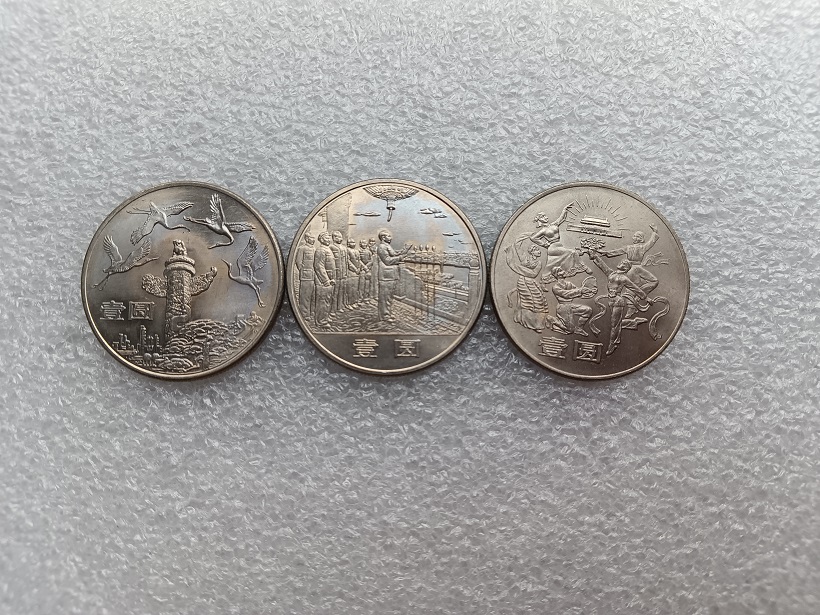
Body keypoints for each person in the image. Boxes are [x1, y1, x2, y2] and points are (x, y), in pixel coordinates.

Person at [588, 252, 648, 355]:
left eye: (624, 263)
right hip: (610, 301)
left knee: (614, 324)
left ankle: (613, 344)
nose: (621, 263)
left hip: (618, 301)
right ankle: (634, 322)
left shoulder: (624, 278)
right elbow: (603, 266)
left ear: (626, 268)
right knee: (615, 323)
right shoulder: (612, 274)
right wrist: (595, 255)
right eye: (622, 262)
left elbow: (635, 288)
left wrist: (646, 298)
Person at [519, 202, 590, 280]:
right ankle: (584, 267)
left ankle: (554, 274)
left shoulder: (554, 224)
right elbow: (533, 238)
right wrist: (544, 244)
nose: (545, 217)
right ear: (540, 220)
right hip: (552, 248)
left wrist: (564, 210)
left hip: (559, 246)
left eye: (545, 216)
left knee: (568, 255)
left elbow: (561, 218)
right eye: (543, 217)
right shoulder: (543, 230)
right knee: (572, 252)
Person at [603, 224, 659, 294]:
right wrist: (655, 232)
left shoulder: (629, 247)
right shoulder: (642, 247)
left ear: (640, 238)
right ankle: (641, 293)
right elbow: (651, 242)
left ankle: (634, 294)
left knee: (632, 286)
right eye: (634, 236)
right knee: (654, 281)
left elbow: (617, 251)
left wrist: (606, 253)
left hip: (627, 269)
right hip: (636, 268)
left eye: (635, 236)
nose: (633, 238)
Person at [505, 244, 548, 332]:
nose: (539, 251)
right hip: (523, 282)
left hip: (531, 282)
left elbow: (534, 274)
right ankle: (528, 322)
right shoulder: (525, 259)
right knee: (527, 302)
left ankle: (537, 323)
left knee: (538, 301)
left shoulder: (539, 263)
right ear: (532, 252)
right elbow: (518, 248)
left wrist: (519, 268)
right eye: (537, 250)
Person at [549, 267, 595, 335]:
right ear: (558, 274)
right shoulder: (555, 287)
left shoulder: (569, 284)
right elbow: (566, 294)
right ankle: (553, 320)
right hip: (562, 308)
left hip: (570, 305)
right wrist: (580, 291)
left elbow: (577, 291)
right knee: (570, 330)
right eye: (561, 271)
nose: (564, 271)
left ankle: (579, 329)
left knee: (588, 310)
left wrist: (589, 291)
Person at [375, 230, 409, 322]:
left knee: (389, 297)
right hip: (386, 276)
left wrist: (404, 251)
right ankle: (384, 316)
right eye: (389, 236)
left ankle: (387, 313)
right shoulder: (382, 247)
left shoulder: (387, 246)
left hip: (390, 275)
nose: (391, 238)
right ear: (383, 237)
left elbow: (394, 254)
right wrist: (400, 257)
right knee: (384, 297)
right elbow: (387, 261)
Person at [312, 232, 336, 327]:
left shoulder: (327, 249)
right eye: (326, 238)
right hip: (323, 281)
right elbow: (318, 266)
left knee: (327, 299)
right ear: (321, 240)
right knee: (322, 300)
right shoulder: (320, 250)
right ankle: (321, 321)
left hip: (330, 280)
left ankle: (325, 316)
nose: (329, 240)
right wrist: (325, 280)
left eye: (329, 238)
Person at [293, 233, 316, 318]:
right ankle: (304, 314)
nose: (313, 239)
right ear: (307, 239)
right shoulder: (302, 248)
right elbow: (298, 261)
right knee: (305, 295)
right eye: (312, 238)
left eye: (313, 238)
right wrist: (303, 271)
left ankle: (312, 312)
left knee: (312, 295)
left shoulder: (314, 249)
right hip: (305, 276)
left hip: (314, 275)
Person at [329, 231, 347, 314]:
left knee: (341, 291)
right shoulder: (331, 247)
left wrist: (346, 273)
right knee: (335, 292)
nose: (340, 238)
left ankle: (340, 307)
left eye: (341, 237)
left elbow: (346, 261)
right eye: (338, 237)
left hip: (343, 273)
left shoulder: (344, 248)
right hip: (335, 274)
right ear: (334, 238)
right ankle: (332, 310)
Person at [345, 238, 362, 308]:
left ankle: (355, 302)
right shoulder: (347, 250)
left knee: (355, 288)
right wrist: (355, 269)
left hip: (357, 272)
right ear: (348, 244)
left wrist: (359, 268)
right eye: (351, 242)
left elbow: (359, 260)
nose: (353, 244)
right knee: (350, 288)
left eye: (354, 242)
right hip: (351, 272)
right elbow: (348, 262)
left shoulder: (356, 251)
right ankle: (349, 303)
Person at [358, 239, 372, 303]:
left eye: (365, 243)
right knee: (361, 285)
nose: (364, 244)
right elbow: (358, 260)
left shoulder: (369, 252)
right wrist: (364, 267)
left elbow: (371, 260)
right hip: (362, 270)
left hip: (368, 270)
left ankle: (366, 298)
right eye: (363, 243)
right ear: (360, 244)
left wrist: (367, 267)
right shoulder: (358, 251)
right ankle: (360, 298)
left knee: (367, 285)